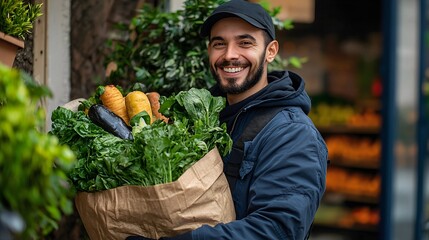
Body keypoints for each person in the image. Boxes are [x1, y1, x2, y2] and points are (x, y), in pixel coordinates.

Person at [127, 0, 328, 239]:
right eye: (219, 44)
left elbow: (277, 230)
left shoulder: (292, 134)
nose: (230, 55)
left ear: (271, 51)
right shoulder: (198, 119)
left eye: (245, 43)